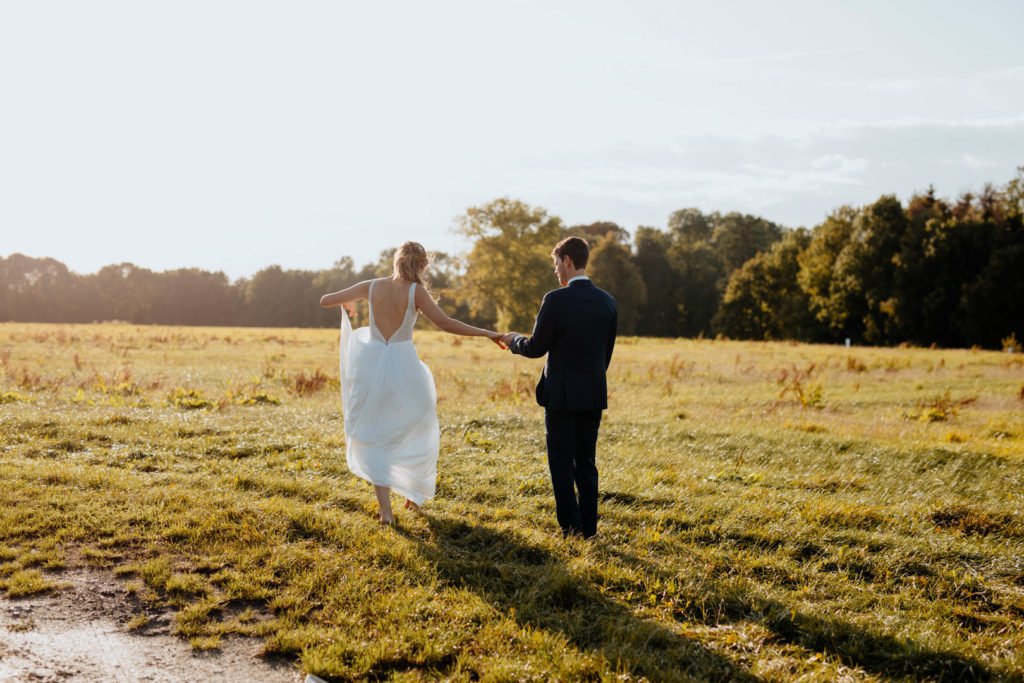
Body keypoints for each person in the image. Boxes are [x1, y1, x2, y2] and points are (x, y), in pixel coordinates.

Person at [320, 242, 505, 526]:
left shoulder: (371, 286)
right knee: (418, 425)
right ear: (420, 265)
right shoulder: (415, 292)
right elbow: (445, 323)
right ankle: (412, 491)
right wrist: (488, 333)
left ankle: (386, 510)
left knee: (375, 432)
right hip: (402, 364)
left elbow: (325, 300)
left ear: (396, 261)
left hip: (371, 364)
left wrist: (349, 302)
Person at [501, 236, 617, 539]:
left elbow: (536, 347)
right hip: (592, 395)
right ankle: (589, 530)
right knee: (586, 465)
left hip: (561, 397)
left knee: (561, 465)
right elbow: (606, 354)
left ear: (567, 260)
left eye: (556, 264)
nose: (555, 271)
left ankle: (571, 530)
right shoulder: (608, 302)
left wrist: (514, 341)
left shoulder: (555, 299)